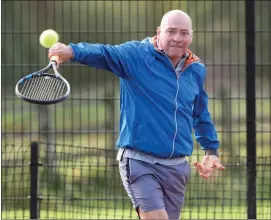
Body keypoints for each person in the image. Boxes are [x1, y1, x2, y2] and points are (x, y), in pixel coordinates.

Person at [48, 9, 225, 220]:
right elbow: (104, 53)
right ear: (159, 32)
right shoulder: (135, 55)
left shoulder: (196, 70)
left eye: (184, 33)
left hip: (177, 167)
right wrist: (73, 51)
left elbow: (200, 114)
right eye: (171, 31)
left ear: (191, 36)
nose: (178, 38)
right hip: (140, 163)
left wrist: (211, 151)